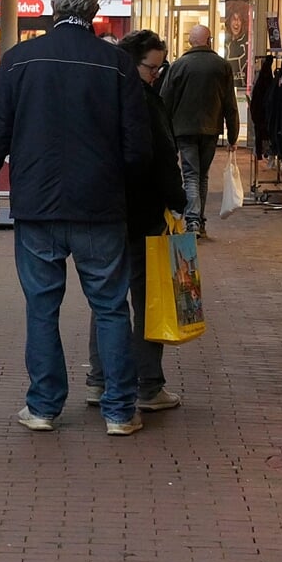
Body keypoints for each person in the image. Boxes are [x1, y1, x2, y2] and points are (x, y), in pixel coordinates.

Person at [0, 0, 151, 436]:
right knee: (111, 306)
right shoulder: (117, 64)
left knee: (42, 307)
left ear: (53, 6)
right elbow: (137, 148)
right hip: (101, 207)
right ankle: (119, 410)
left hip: (37, 205)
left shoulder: (18, 60)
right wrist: (129, 197)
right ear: (94, 9)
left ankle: (44, 406)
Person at [86, 30, 189, 413]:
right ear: (134, 62)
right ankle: (147, 384)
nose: (157, 75)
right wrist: (178, 201)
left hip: (104, 210)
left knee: (106, 299)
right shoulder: (144, 100)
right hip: (143, 212)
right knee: (149, 298)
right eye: (153, 67)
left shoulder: (98, 95)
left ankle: (99, 380)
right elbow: (161, 156)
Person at [160, 23, 240, 238]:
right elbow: (230, 104)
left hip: (183, 129)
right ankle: (199, 221)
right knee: (201, 175)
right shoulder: (222, 66)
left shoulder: (179, 66)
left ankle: (193, 220)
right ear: (210, 40)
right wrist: (233, 134)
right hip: (211, 128)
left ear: (190, 42)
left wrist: (164, 132)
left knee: (191, 175)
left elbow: (166, 100)